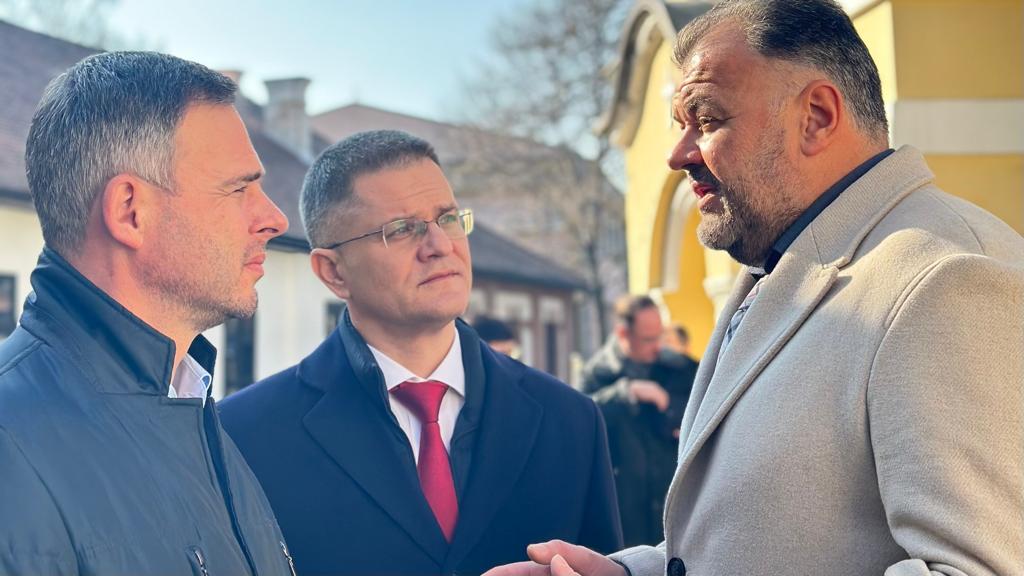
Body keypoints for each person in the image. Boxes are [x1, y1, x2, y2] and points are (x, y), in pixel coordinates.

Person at [485, 0, 1024, 575]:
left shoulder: (947, 280)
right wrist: (628, 573)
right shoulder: (784, 265)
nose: (677, 155)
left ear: (816, 116)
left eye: (707, 120)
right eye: (680, 126)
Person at [218, 130, 623, 576]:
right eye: (402, 229)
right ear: (333, 272)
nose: (440, 246)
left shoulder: (570, 420)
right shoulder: (243, 436)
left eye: (447, 218)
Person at [0, 52, 296, 575]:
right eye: (238, 189)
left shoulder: (191, 410)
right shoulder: (12, 450)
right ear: (130, 212)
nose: (274, 218)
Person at [581, 295, 697, 548]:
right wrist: (625, 393)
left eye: (659, 336)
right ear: (623, 334)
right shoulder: (596, 375)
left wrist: (667, 404)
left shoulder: (681, 368)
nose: (657, 346)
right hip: (625, 515)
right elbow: (582, 422)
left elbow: (701, 410)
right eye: (648, 339)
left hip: (675, 509)